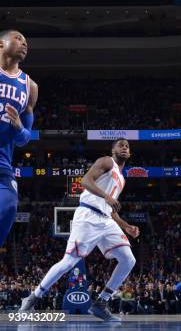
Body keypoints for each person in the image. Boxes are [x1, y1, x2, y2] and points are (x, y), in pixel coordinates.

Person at [20, 138, 139, 322]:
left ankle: (101, 304)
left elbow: (109, 208)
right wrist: (107, 197)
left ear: (130, 153)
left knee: (128, 259)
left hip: (106, 220)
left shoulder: (122, 179)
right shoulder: (106, 161)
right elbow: (85, 181)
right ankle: (32, 298)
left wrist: (126, 226)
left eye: (127, 146)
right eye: (120, 145)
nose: (124, 147)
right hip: (88, 215)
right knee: (68, 262)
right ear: (113, 149)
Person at [0, 30, 38, 248]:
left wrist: (18, 127)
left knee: (8, 207)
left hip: (3, 164)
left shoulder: (29, 86)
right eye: (18, 38)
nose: (24, 43)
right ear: (1, 44)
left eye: (26, 40)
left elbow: (25, 140)